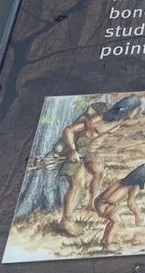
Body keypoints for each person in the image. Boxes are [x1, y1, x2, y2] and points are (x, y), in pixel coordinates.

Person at [57, 96, 139, 237]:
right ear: (128, 110)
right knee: (77, 185)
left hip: (90, 152)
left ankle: (91, 204)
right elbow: (68, 130)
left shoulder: (119, 121)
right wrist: (72, 150)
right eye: (136, 109)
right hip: (78, 151)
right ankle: (66, 221)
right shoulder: (97, 120)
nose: (137, 112)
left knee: (99, 171)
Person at [95, 163, 145, 251]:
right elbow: (130, 202)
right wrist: (137, 214)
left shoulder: (122, 181)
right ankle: (108, 245)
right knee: (116, 222)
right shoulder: (135, 186)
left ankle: (104, 240)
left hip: (98, 202)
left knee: (113, 221)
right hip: (107, 206)